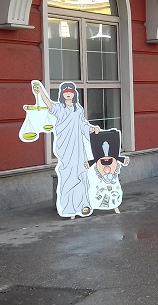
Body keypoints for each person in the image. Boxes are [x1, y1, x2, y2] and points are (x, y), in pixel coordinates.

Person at [33, 81, 101, 218]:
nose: (68, 93)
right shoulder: (59, 108)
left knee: (82, 174)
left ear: (74, 93)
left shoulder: (78, 108)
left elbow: (82, 124)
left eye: (70, 91)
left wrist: (92, 129)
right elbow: (49, 105)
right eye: (65, 92)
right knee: (69, 176)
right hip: (66, 147)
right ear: (62, 94)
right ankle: (69, 206)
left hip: (79, 147)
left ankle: (83, 204)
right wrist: (41, 92)